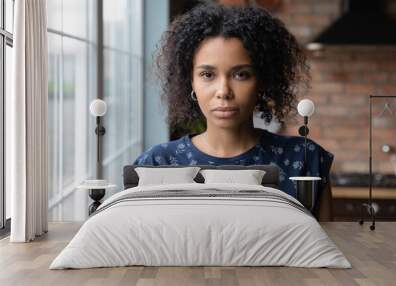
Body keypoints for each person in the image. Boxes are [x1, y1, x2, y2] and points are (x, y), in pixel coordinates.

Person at [133, 3, 334, 219]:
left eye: (241, 75)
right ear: (190, 81)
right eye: (208, 75)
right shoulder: (156, 163)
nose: (223, 91)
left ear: (263, 81)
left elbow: (326, 246)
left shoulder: (304, 159)